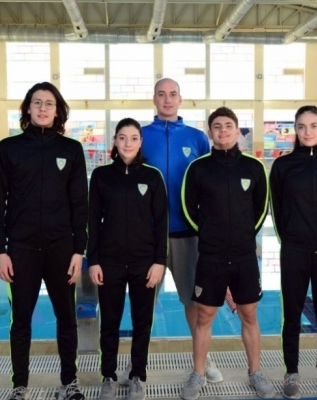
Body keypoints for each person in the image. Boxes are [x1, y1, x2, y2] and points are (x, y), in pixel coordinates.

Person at [0, 82, 88, 400]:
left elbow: (80, 204)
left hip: (61, 248)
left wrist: (79, 250)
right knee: (20, 321)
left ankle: (69, 382)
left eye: (49, 103)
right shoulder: (8, 148)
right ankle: (20, 386)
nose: (43, 108)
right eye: (37, 102)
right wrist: (0, 250)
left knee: (66, 318)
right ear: (28, 108)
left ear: (58, 111)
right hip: (21, 249)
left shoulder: (71, 150)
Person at [180, 107, 274, 400]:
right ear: (210, 133)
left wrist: (245, 237)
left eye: (228, 125)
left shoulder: (253, 167)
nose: (223, 130)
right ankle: (198, 374)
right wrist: (208, 235)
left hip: (244, 255)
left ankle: (255, 372)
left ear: (237, 130)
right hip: (211, 255)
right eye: (217, 126)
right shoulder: (198, 168)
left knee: (249, 314)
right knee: (204, 315)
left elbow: (262, 208)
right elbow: (187, 208)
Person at [138, 78, 222, 383]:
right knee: (144, 305)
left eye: (172, 94)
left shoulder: (197, 138)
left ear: (180, 99)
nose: (167, 99)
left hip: (188, 233)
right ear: (154, 98)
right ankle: (137, 368)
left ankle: (203, 360)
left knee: (194, 303)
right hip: (149, 237)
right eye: (161, 94)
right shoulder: (140, 136)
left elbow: (210, 184)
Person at [87, 118, 168, 400]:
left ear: (141, 142)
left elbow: (161, 221)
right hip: (109, 261)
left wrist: (160, 261)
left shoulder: (152, 176)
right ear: (115, 141)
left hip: (144, 262)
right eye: (122, 138)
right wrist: (93, 260)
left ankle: (137, 376)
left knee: (142, 322)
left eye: (134, 138)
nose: (128, 143)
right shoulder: (101, 176)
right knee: (109, 322)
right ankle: (108, 376)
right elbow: (92, 221)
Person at [269, 105, 317, 399]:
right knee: (292, 314)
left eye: (313, 125)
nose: (308, 131)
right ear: (296, 130)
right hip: (295, 251)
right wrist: (290, 241)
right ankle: (291, 371)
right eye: (301, 126)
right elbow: (277, 210)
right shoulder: (283, 166)